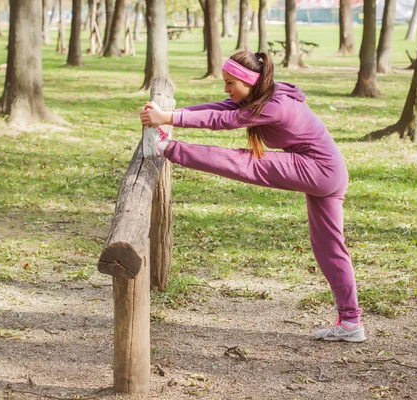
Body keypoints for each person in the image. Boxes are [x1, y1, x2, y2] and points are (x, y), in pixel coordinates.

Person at [140, 51, 365, 342]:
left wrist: (168, 118)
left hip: (320, 170)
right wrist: (171, 114)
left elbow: (227, 119)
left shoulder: (275, 105)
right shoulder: (261, 94)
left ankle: (165, 148)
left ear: (249, 81)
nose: (226, 89)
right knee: (329, 249)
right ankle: (351, 323)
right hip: (329, 172)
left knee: (246, 163)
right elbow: (220, 107)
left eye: (231, 83)